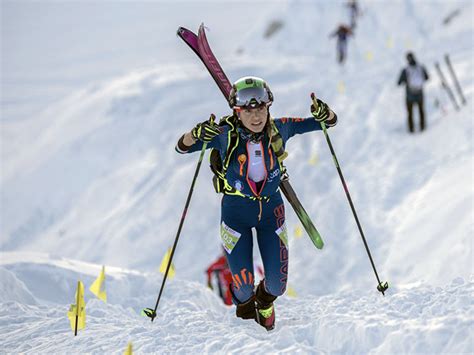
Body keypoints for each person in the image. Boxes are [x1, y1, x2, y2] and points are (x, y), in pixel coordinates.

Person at [176, 76, 337, 330]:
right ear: (237, 112)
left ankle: (264, 303)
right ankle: (246, 318)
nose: (256, 116)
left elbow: (325, 123)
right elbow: (182, 147)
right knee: (241, 286)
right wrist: (195, 133)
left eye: (261, 108)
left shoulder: (280, 129)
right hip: (235, 214)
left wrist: (324, 112)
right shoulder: (224, 134)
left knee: (277, 285)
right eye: (248, 111)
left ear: (268, 107)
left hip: (271, 211)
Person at [397, 52, 429, 133]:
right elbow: (427, 78)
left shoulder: (405, 70)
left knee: (410, 113)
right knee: (421, 111)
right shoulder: (421, 67)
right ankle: (422, 127)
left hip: (409, 95)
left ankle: (411, 129)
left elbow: (399, 82)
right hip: (420, 93)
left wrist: (405, 81)